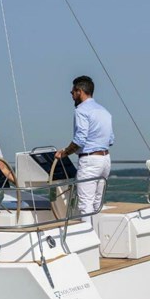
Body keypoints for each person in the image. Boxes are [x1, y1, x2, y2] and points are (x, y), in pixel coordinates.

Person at [55, 75, 114, 219]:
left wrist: (64, 153)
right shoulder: (104, 111)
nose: (72, 96)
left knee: (85, 204)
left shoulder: (81, 110)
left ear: (79, 91)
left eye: (72, 92)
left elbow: (79, 140)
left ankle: (89, 232)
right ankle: (97, 231)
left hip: (90, 161)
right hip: (105, 160)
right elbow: (111, 140)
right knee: (97, 203)